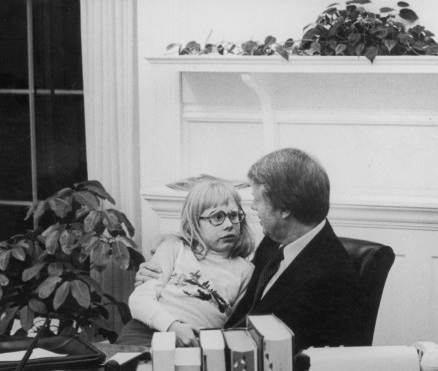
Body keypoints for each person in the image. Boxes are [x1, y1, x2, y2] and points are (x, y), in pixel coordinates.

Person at [136, 148, 364, 351]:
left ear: (284, 209)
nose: (253, 207)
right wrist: (155, 274)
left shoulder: (331, 277)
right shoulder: (279, 238)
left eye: (257, 200)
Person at [116, 180, 254, 347]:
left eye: (234, 215)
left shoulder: (246, 271)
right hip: (147, 330)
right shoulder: (174, 248)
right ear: (195, 222)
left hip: (194, 342)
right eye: (217, 217)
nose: (229, 225)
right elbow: (139, 300)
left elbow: (235, 327)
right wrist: (173, 326)